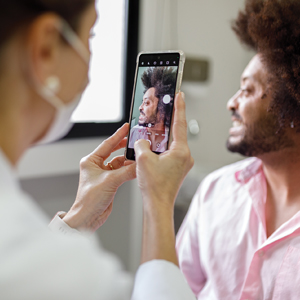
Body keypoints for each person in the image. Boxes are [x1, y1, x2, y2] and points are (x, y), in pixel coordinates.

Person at [0, 0, 196, 299]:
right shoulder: (74, 276)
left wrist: (78, 217)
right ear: (46, 48)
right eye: (90, 37)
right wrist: (159, 201)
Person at [176, 0, 300, 299]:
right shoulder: (214, 192)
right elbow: (179, 289)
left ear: (291, 108)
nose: (231, 103)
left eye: (247, 89)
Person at [128, 67, 176, 152]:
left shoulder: (173, 139)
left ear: (162, 108)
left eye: (146, 103)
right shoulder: (134, 133)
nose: (140, 107)